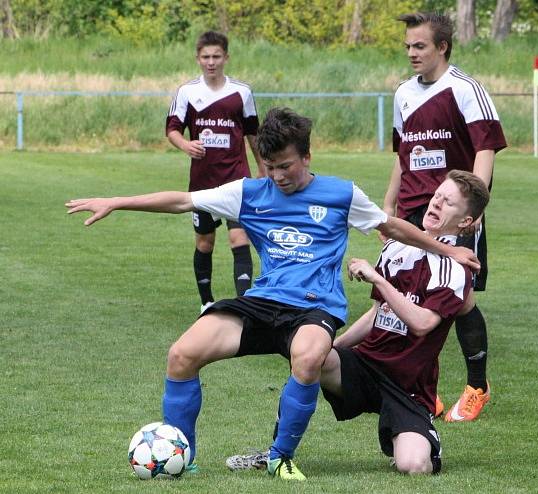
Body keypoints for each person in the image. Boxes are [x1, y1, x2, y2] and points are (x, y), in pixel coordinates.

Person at [66, 108, 479, 481]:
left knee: (309, 354)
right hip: (263, 301)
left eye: (285, 167)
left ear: (306, 158)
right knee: (181, 354)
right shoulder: (249, 192)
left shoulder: (341, 194)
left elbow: (391, 226)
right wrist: (118, 201)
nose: (278, 176)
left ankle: (280, 457)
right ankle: (183, 454)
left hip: (315, 307)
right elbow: (182, 201)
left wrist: (446, 248)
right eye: (270, 168)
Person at [226, 170, 489, 475]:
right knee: (312, 355)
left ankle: (421, 438)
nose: (436, 204)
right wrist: (329, 347)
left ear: (465, 222)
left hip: (408, 388)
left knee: (415, 465)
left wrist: (377, 277)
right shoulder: (396, 247)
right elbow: (377, 314)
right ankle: (275, 452)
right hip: (365, 366)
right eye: (438, 196)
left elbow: (421, 323)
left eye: (449, 203)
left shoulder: (455, 269)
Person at [382, 12, 507, 422]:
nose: (412, 53)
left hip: (453, 212)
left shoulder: (465, 88)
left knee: (460, 299)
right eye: (408, 47)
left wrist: (474, 210)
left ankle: (477, 386)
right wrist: (389, 206)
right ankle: (424, 393)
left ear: (442, 47)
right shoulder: (402, 93)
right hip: (413, 213)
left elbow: (485, 149)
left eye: (419, 46)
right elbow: (403, 157)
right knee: (412, 297)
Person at [166, 31, 265, 311]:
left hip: (236, 177)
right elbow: (172, 129)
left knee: (239, 237)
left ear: (226, 57)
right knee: (205, 242)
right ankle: (206, 302)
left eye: (216, 56)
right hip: (202, 183)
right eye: (206, 57)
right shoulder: (187, 92)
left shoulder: (241, 92)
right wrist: (185, 144)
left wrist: (262, 167)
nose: (211, 62)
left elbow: (252, 133)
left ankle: (244, 304)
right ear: (198, 59)